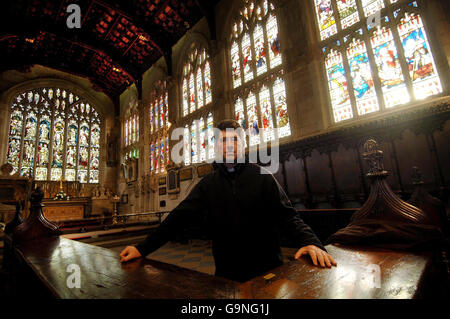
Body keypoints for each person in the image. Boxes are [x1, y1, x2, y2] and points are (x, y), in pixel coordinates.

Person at [120, 119, 336, 282]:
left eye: (235, 140)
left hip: (268, 271)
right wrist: (142, 248)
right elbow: (177, 218)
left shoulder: (263, 177)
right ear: (216, 147)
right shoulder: (208, 185)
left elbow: (288, 217)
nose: (230, 145)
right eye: (224, 140)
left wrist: (312, 243)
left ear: (243, 145)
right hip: (225, 274)